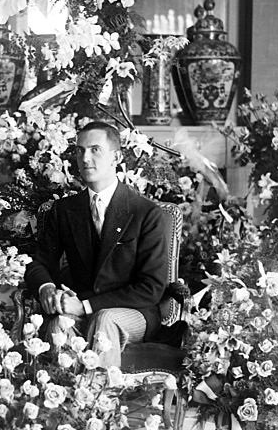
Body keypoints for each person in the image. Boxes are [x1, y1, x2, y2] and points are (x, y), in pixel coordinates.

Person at [25, 121, 170, 367]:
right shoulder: (65, 210)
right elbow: (39, 263)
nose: (85, 158)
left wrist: (85, 306)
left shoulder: (145, 212)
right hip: (81, 304)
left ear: (117, 157)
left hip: (136, 313)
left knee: (104, 319)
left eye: (95, 149)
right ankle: (61, 401)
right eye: (80, 150)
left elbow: (151, 288)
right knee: (60, 323)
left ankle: (100, 402)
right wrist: (47, 288)